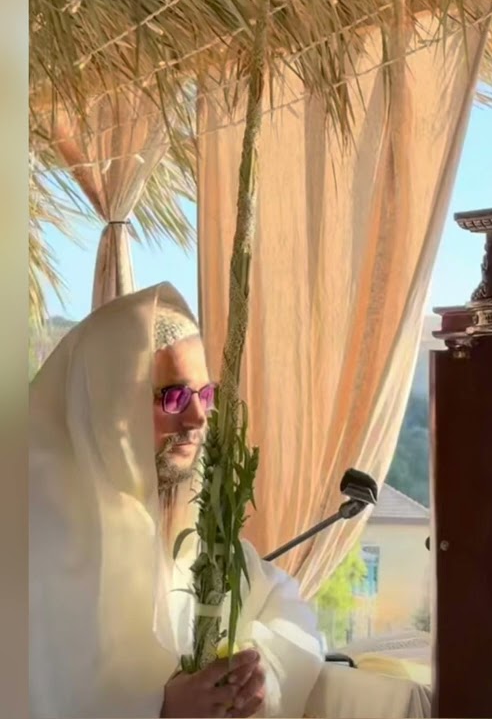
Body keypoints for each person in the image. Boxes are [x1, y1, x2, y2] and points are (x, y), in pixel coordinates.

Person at [29, 283, 324, 718]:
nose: (198, 418)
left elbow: (287, 609)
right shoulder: (30, 541)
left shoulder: (188, 535)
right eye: (173, 396)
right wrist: (157, 710)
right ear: (110, 402)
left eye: (205, 395)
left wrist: (263, 671)